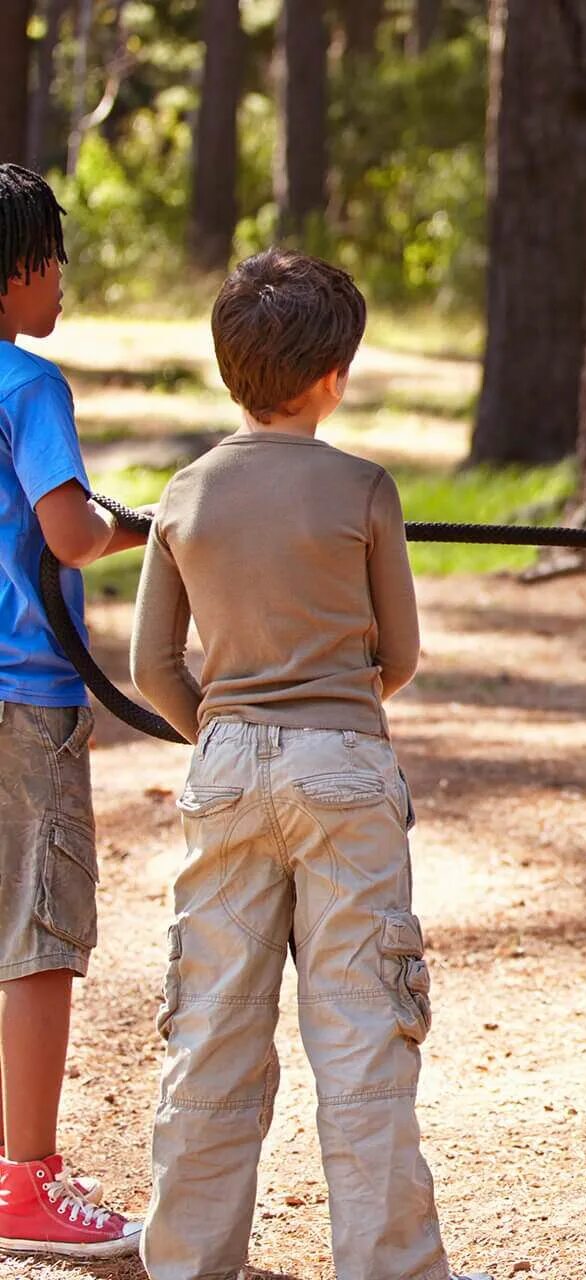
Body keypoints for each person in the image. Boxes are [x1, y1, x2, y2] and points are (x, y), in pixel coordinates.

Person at [129, 249, 485, 1279]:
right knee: (364, 1031)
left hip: (227, 762)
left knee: (212, 1026)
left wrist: (229, 731)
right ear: (335, 375)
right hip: (344, 766)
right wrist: (330, 719)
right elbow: (401, 654)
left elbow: (153, 664)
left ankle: (190, 1259)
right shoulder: (364, 487)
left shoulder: (184, 494)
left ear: (228, 367)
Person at [0, 163, 146, 1260]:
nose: (64, 284)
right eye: (57, 263)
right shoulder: (30, 388)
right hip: (24, 697)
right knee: (38, 934)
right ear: (23, 271)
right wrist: (144, 523)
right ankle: (27, 1180)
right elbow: (69, 531)